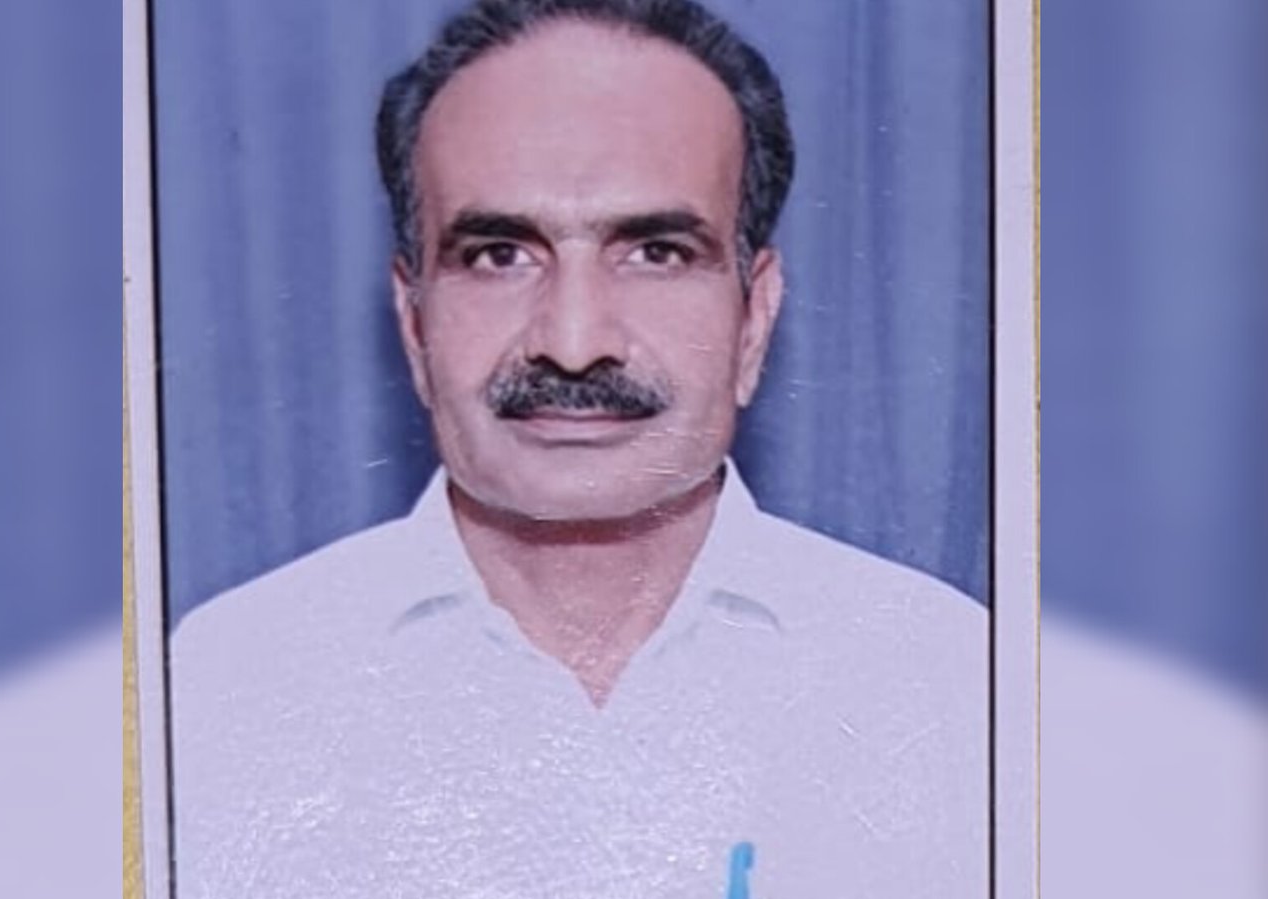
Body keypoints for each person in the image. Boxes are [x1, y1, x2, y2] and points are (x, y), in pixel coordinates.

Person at [170, 2, 986, 896]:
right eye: (499, 255)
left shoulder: (956, 688)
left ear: (754, 319)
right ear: (414, 322)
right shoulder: (218, 694)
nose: (573, 341)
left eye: (656, 252)